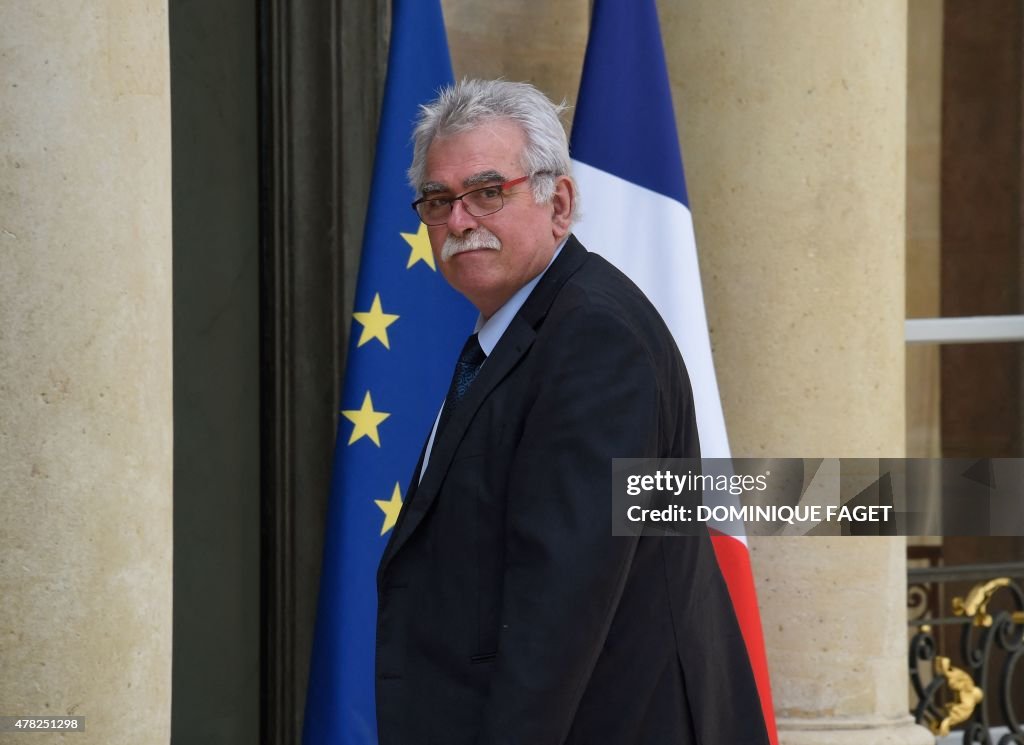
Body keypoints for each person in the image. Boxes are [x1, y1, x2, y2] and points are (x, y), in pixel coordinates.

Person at [375, 79, 769, 745]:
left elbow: (558, 609)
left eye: (487, 191)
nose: (460, 220)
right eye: (439, 201)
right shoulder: (518, 327)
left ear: (558, 202)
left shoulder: (595, 338)